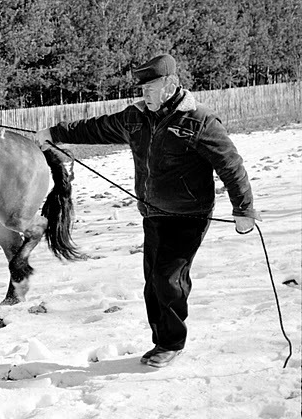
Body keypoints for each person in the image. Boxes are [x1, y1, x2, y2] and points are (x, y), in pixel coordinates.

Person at [34, 53, 260, 368]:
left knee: (168, 279)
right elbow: (96, 128)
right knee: (153, 281)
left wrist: (244, 209)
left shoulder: (198, 120)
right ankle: (162, 340)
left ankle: (170, 343)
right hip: (153, 213)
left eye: (151, 87)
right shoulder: (136, 117)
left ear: (171, 84)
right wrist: (56, 133)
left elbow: (230, 165)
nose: (145, 93)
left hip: (188, 215)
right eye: (142, 88)